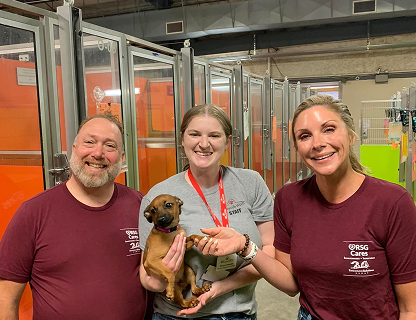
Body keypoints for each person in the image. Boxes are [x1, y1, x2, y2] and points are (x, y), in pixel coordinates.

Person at [195, 95, 416, 320]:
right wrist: (245, 246)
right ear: (297, 147)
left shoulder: (392, 202)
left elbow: (411, 308)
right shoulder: (289, 199)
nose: (317, 143)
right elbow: (291, 283)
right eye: (305, 136)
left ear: (350, 135)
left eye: (329, 129)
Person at [139, 104, 298, 319]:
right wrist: (167, 273)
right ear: (183, 139)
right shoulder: (158, 197)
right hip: (177, 315)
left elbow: (270, 252)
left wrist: (223, 286)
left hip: (239, 313)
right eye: (194, 134)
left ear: (228, 142)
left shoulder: (251, 183)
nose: (204, 144)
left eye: (214, 135)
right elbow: (147, 277)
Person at [0, 114, 147, 320]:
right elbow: (5, 296)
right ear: (74, 149)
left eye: (110, 146)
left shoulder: (141, 206)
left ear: (122, 157)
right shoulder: (34, 212)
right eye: (89, 142)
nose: (98, 153)